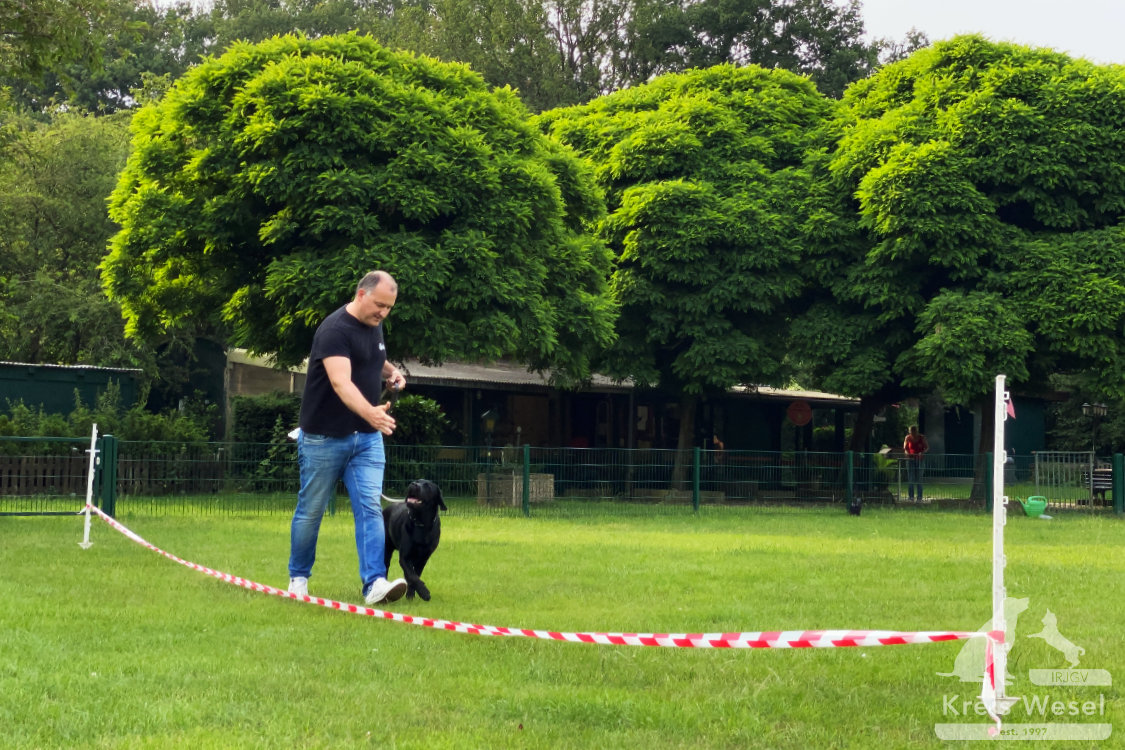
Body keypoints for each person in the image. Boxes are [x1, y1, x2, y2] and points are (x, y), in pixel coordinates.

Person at [287, 270, 409, 605]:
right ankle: (298, 578)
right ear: (361, 294)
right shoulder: (334, 330)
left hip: (367, 440)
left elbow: (373, 358)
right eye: (379, 305)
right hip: (324, 438)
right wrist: (371, 412)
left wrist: (392, 371)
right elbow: (341, 383)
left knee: (369, 507)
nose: (383, 313)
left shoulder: (374, 325)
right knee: (311, 510)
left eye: (388, 308)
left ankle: (374, 585)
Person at [903, 424, 929, 501]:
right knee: (911, 478)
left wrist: (922, 452)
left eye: (914, 432)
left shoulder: (922, 437)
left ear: (916, 431)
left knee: (919, 478)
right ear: (910, 432)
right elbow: (905, 448)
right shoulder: (907, 438)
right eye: (911, 432)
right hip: (910, 460)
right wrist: (907, 452)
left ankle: (919, 497)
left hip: (920, 460)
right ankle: (911, 497)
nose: (913, 434)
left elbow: (927, 447)